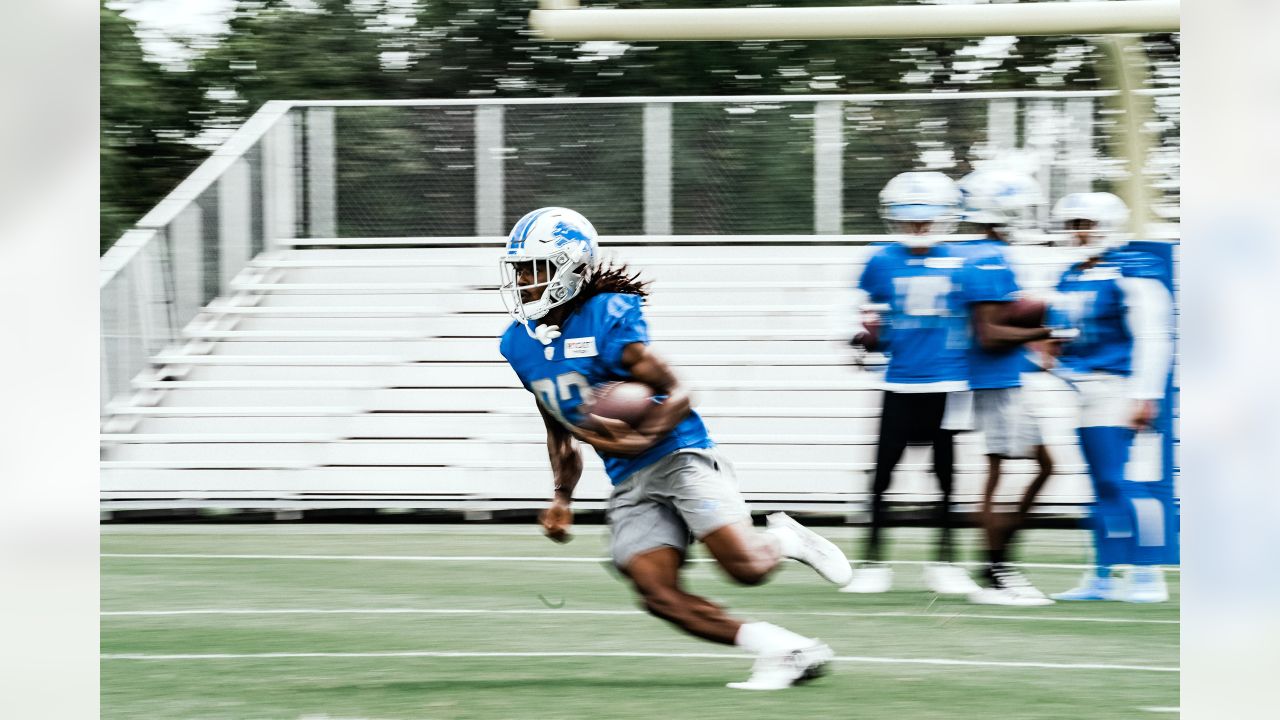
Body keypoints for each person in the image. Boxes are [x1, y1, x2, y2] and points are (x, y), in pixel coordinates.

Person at [497, 207, 855, 690]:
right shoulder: (517, 344)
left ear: (571, 268)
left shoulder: (607, 317)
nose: (524, 281)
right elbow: (556, 423)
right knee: (655, 591)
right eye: (519, 269)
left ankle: (784, 540)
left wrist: (643, 437)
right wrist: (562, 497)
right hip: (628, 478)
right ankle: (784, 649)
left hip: (679, 454)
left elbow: (679, 392)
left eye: (534, 269)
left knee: (746, 569)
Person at [841, 172, 980, 596]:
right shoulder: (880, 259)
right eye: (909, 218)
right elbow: (859, 313)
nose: (917, 226)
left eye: (926, 218)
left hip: (948, 382)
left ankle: (945, 562)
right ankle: (872, 561)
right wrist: (862, 339)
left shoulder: (963, 260)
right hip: (899, 382)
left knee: (946, 478)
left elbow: (980, 319)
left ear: (946, 217)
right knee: (882, 477)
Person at [1045, 192, 1175, 603]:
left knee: (1120, 483)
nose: (1079, 232)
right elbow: (1065, 334)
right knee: (1101, 485)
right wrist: (1052, 353)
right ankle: (1103, 574)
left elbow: (1153, 335)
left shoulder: (1132, 269)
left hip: (1118, 387)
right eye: (1074, 224)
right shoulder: (1070, 275)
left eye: (1087, 223)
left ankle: (1147, 573)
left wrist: (1146, 393)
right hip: (1086, 390)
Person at [951, 168, 1059, 606]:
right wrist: (1046, 331)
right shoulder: (989, 258)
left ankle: (997, 562)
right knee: (1001, 473)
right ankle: (997, 570)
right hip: (993, 380)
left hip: (1001, 378)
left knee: (1043, 466)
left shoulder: (979, 253)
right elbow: (990, 334)